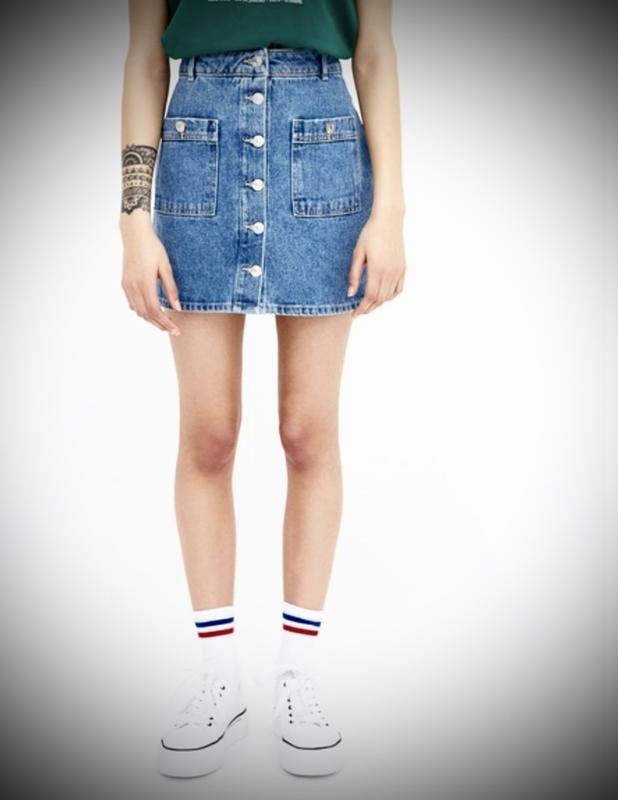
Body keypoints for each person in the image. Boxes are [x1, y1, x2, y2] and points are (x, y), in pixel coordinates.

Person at [119, 0, 405, 779]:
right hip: (196, 151)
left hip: (324, 144)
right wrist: (133, 222)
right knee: (209, 433)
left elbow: (375, 51)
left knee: (307, 431)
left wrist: (391, 211)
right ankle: (217, 675)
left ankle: (298, 673)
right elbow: (144, 54)